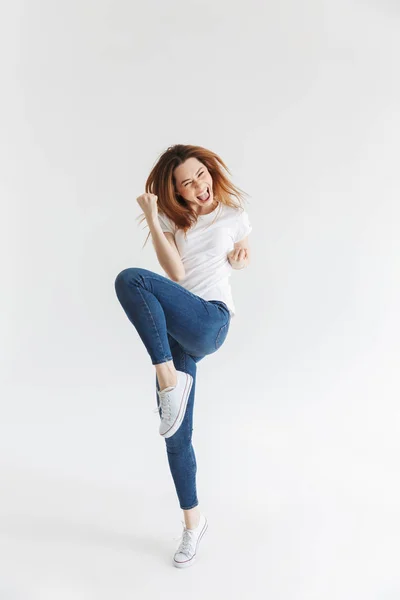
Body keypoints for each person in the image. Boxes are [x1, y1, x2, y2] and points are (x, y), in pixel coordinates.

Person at [114, 144, 252, 568]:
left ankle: (167, 378)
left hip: (211, 320)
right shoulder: (178, 227)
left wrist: (241, 257)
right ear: (178, 192)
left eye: (201, 175)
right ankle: (193, 524)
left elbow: (240, 253)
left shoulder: (234, 217)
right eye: (187, 183)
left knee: (131, 279)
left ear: (210, 172)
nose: (199, 186)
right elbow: (175, 274)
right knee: (177, 437)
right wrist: (155, 219)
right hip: (178, 335)